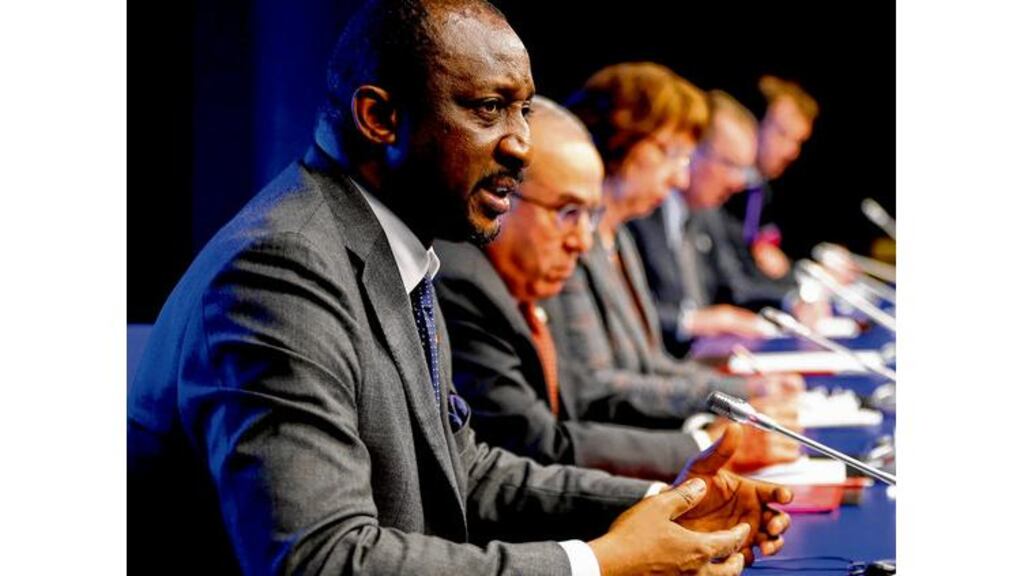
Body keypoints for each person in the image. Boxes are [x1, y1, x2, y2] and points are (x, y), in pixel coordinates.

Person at [127, 2, 790, 574]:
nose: (523, 146)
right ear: (380, 117)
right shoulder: (281, 271)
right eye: (491, 108)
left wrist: (661, 505)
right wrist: (602, 562)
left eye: (524, 111)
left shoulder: (395, 244)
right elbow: (320, 559)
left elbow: (463, 471)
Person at [434, 97, 801, 483]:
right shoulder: (470, 282)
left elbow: (641, 366)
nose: (581, 241)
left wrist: (733, 401)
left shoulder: (606, 240)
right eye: (671, 153)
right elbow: (558, 423)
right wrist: (701, 445)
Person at [630, 89, 820, 355]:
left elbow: (734, 284)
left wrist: (792, 300)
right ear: (693, 153)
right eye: (730, 165)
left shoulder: (706, 214)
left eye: (742, 169)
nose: (739, 182)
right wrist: (693, 322)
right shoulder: (638, 216)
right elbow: (626, 316)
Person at [733, 75, 820, 279]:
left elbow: (775, 261)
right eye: (782, 134)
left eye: (798, 142)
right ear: (753, 123)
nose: (792, 152)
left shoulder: (763, 191)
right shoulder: (720, 189)